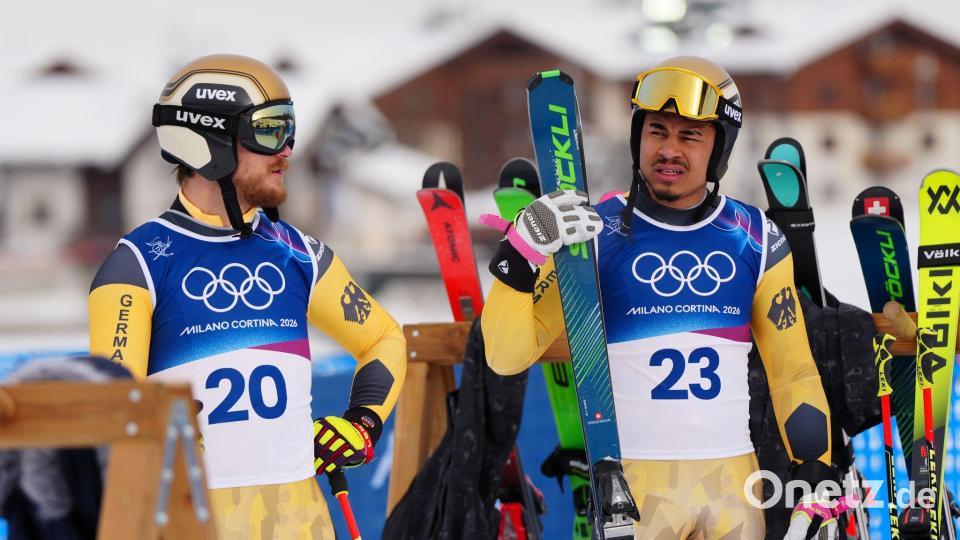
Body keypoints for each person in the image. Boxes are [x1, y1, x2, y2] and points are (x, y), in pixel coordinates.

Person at [482, 56, 845, 538]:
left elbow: (792, 369)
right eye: (657, 131)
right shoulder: (590, 235)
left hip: (731, 487)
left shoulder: (756, 239)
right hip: (635, 489)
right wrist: (519, 256)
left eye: (689, 135)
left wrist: (815, 464)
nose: (669, 149)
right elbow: (506, 356)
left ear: (720, 147)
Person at [88, 54, 406, 539]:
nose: (286, 151)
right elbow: (112, 416)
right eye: (268, 131)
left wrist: (362, 422)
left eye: (289, 130)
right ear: (208, 140)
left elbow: (384, 338)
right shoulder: (140, 264)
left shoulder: (298, 253)